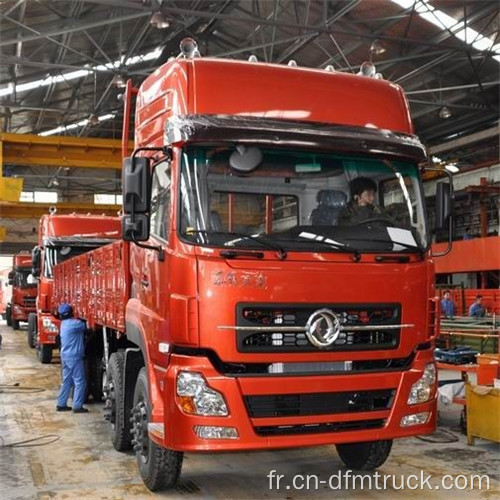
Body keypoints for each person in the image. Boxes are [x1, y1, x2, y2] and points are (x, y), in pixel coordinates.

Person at [56, 303, 88, 413]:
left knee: (67, 381)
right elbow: (88, 326)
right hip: (74, 357)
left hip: (65, 356)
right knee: (79, 382)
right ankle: (77, 406)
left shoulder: (63, 324)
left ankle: (61, 404)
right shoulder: (75, 324)